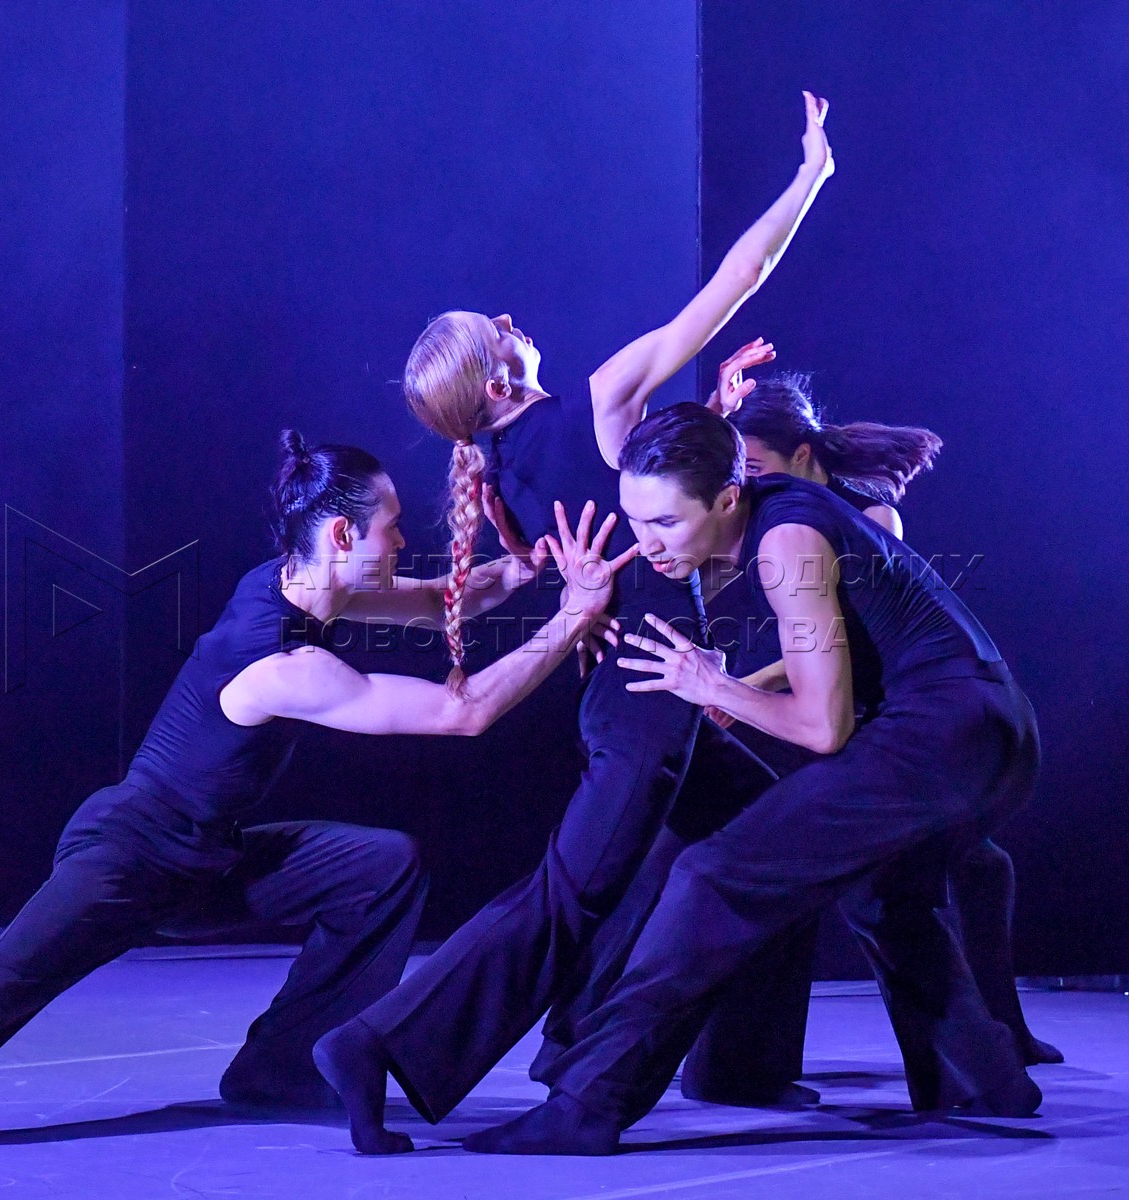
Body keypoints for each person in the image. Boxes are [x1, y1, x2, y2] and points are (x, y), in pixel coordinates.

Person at [0, 432, 630, 1171]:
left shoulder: (293, 583)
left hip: (209, 854)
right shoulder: (282, 663)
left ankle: (278, 1071)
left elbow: (427, 603)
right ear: (344, 537)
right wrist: (570, 619)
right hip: (129, 856)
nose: (402, 541)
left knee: (378, 865)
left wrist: (519, 576)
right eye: (390, 525)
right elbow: (463, 714)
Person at [312, 92, 838, 1155]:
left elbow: (544, 572)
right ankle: (375, 1046)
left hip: (648, 697)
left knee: (768, 835)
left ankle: (696, 1058)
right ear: (499, 371)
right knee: (569, 896)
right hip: (644, 700)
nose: (515, 321)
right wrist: (809, 178)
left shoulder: (502, 475)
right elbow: (735, 283)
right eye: (500, 327)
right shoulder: (601, 402)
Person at [464, 403, 1043, 1155]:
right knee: (881, 891)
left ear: (728, 497)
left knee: (713, 877)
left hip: (943, 735)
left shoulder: (785, 541)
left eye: (665, 523)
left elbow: (824, 729)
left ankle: (586, 1105)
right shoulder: (771, 510)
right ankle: (984, 1081)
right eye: (634, 521)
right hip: (995, 731)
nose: (647, 542)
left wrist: (714, 686)